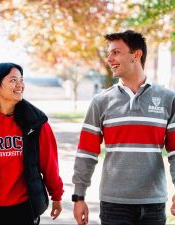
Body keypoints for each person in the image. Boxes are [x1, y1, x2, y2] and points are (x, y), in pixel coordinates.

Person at [72, 30, 175, 225]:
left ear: (136, 55)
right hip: (114, 205)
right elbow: (86, 153)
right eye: (109, 53)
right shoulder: (100, 101)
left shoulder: (167, 99)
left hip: (154, 204)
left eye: (116, 52)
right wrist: (78, 197)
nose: (109, 59)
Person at [0, 62, 64, 225]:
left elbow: (49, 163)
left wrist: (56, 195)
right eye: (13, 80)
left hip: (25, 207)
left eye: (21, 80)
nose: (20, 85)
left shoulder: (35, 122)